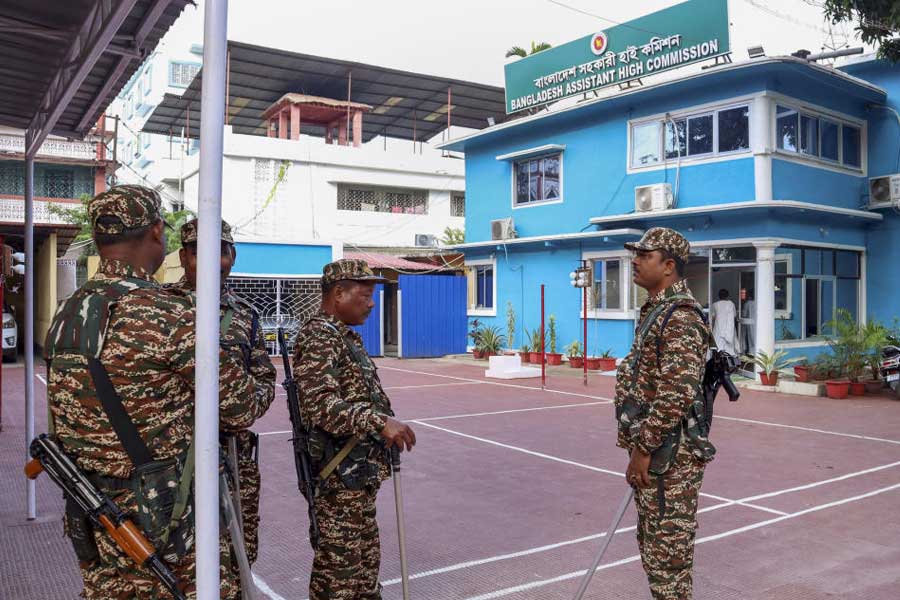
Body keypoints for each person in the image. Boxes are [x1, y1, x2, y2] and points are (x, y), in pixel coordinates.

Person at [44, 185, 259, 599]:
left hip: (94, 513)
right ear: (157, 231)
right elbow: (240, 407)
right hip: (165, 523)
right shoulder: (169, 313)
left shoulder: (68, 310)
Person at [294, 259, 417, 600]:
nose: (373, 302)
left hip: (356, 479)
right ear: (338, 293)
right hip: (337, 482)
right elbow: (323, 408)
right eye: (365, 294)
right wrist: (380, 422)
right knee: (340, 580)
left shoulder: (344, 337)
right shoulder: (320, 336)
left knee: (363, 576)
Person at [615, 227, 716, 600]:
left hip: (669, 459)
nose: (635, 261)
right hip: (657, 455)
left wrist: (644, 448)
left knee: (668, 563)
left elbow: (676, 392)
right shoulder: (657, 311)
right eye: (636, 254)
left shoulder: (681, 317)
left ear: (669, 265)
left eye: (645, 255)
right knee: (656, 553)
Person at [170, 219, 276, 566]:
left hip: (232, 457)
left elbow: (264, 379)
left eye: (223, 251)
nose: (215, 260)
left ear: (233, 256)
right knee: (178, 557)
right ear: (184, 257)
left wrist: (240, 406)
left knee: (237, 554)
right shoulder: (162, 308)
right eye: (201, 252)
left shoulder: (246, 315)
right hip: (169, 461)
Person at [710, 288, 738, 356]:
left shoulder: (715, 304)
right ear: (727, 296)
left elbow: (712, 317)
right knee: (729, 349)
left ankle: (718, 361)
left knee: (718, 346)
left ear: (719, 296)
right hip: (729, 328)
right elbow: (734, 316)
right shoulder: (731, 304)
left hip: (718, 328)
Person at [741, 289, 756, 356]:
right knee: (755, 337)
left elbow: (744, 314)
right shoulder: (759, 302)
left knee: (750, 338)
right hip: (757, 323)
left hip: (750, 323)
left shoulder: (748, 303)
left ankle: (751, 352)